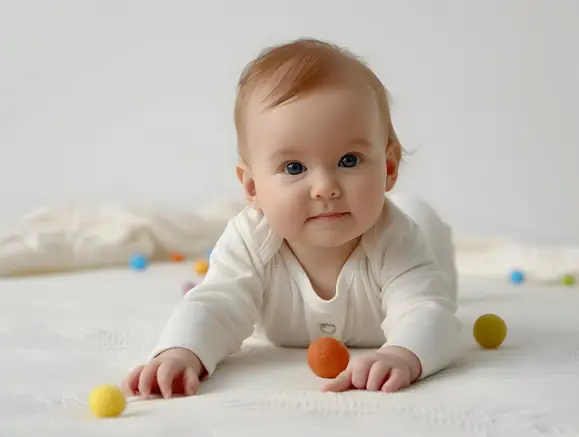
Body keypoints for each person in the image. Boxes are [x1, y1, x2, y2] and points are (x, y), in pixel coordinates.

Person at [121, 38, 461, 398]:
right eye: (294, 167)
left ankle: (431, 234)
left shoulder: (396, 238)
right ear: (252, 187)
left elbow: (428, 312)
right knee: (212, 294)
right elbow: (218, 304)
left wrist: (403, 354)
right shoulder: (251, 239)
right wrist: (182, 350)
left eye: (349, 160)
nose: (325, 188)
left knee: (422, 219)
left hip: (424, 242)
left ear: (389, 168)